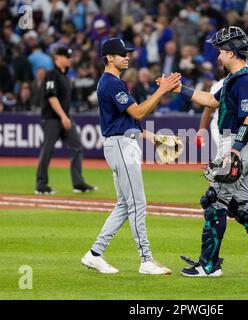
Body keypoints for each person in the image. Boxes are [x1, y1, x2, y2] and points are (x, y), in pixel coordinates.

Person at [177, 26, 248, 277]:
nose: (218, 55)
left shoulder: (246, 79)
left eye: (220, 51)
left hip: (242, 144)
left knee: (214, 203)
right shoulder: (236, 78)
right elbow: (210, 100)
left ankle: (208, 265)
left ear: (231, 52)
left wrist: (235, 151)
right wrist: (179, 89)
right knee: (240, 205)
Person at [81, 38, 180, 275]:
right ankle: (146, 260)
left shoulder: (115, 82)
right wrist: (162, 90)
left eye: (127, 53)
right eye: (122, 53)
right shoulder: (110, 83)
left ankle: (94, 254)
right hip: (120, 146)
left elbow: (129, 121)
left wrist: (153, 137)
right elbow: (138, 111)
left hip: (123, 142)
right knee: (137, 203)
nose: (127, 56)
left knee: (125, 205)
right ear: (109, 58)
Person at [35, 46, 96, 195]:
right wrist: (63, 116)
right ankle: (41, 184)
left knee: (77, 146)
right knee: (48, 149)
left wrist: (65, 116)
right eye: (67, 57)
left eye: (70, 57)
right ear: (58, 58)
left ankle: (78, 183)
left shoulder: (65, 75)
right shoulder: (51, 74)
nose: (70, 59)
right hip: (52, 118)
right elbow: (51, 97)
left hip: (64, 117)